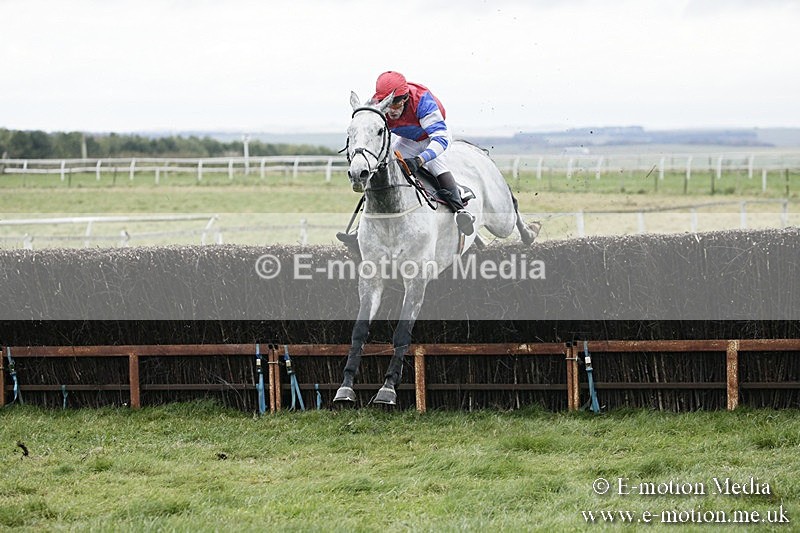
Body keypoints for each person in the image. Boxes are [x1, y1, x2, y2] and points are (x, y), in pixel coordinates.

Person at [338, 71, 475, 253]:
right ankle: (359, 229)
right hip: (408, 139)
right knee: (384, 169)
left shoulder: (423, 102)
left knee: (435, 165)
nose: (392, 110)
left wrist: (419, 160)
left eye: (396, 104)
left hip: (432, 137)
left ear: (405, 98)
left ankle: (460, 210)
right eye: (388, 104)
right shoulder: (377, 104)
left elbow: (441, 139)